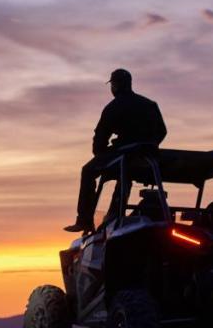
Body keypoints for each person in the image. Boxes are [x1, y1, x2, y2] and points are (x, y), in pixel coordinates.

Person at [65, 69, 167, 233]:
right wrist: (150, 146)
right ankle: (113, 215)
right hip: (149, 155)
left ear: (115, 85)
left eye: (112, 84)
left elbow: (100, 137)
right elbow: (162, 131)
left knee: (89, 170)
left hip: (125, 153)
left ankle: (84, 220)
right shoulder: (150, 104)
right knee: (124, 176)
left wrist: (100, 156)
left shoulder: (114, 107)